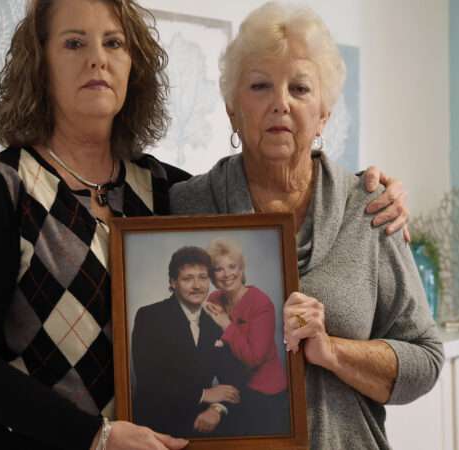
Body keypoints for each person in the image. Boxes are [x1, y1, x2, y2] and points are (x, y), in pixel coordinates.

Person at [0, 0, 413, 448]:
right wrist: (94, 437)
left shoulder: (164, 190)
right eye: (74, 43)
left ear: (132, 66)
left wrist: (372, 190)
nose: (97, 59)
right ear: (41, 64)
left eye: (114, 43)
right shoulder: (2, 187)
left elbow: (262, 188)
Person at [170, 3, 444, 449]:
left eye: (299, 88)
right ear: (232, 110)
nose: (280, 102)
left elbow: (426, 359)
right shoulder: (188, 205)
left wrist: (332, 351)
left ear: (323, 115)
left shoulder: (370, 208)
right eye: (260, 86)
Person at [131, 246, 244, 438]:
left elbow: (234, 377)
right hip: (158, 425)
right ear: (173, 282)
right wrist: (203, 394)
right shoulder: (149, 316)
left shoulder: (217, 321)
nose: (197, 285)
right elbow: (149, 381)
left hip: (205, 421)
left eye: (202, 277)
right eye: (187, 278)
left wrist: (216, 409)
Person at [203, 238, 289, 436]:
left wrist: (226, 324)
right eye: (219, 269)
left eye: (232, 266)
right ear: (212, 275)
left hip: (264, 394)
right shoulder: (213, 300)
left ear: (241, 269)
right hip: (232, 390)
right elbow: (207, 345)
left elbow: (253, 358)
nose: (227, 275)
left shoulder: (261, 303)